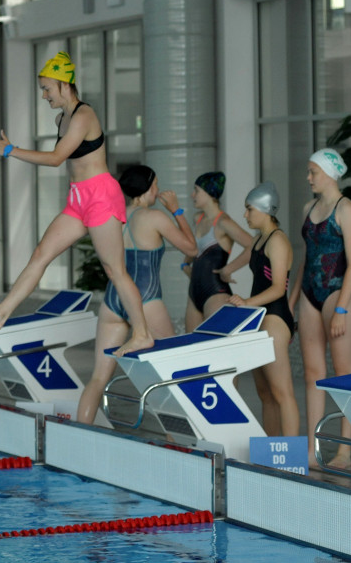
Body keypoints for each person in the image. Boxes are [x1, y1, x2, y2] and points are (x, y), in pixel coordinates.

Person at [0, 51, 155, 356]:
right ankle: (1, 313)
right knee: (41, 253)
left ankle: (143, 333)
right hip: (79, 198)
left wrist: (10, 150)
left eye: (47, 89)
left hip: (101, 196)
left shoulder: (84, 116)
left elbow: (56, 159)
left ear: (65, 85)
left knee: (114, 269)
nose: (44, 95)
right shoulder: (61, 118)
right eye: (42, 89)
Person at [76, 165, 197, 425]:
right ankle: (174, 437)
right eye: (156, 185)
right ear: (148, 187)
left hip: (113, 300)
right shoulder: (154, 218)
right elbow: (192, 248)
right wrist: (176, 211)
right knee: (171, 369)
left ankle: (77, 433)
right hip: (146, 300)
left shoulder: (114, 217)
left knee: (98, 377)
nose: (158, 190)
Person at [288, 148, 351, 470]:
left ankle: (345, 450)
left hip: (336, 294)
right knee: (313, 375)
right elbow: (307, 257)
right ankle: (312, 449)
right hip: (309, 295)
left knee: (344, 376)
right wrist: (291, 301)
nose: (308, 178)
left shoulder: (347, 209)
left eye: (312, 172)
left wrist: (342, 309)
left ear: (330, 173)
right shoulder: (309, 207)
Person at [219, 182, 299, 437]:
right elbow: (236, 264)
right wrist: (221, 271)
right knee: (265, 393)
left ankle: (289, 456)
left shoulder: (278, 241)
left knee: (282, 392)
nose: (245, 215)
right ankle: (273, 452)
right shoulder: (258, 240)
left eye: (249, 209)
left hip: (275, 317)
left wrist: (246, 302)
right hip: (259, 318)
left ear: (265, 209)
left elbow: (277, 289)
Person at [182, 172, 253, 332]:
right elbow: (195, 249)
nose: (192, 195)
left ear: (209, 193)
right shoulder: (197, 219)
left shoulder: (223, 222)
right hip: (194, 291)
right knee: (191, 348)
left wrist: (229, 269)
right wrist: (185, 263)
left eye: (197, 190)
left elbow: (253, 246)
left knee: (215, 348)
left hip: (216, 292)